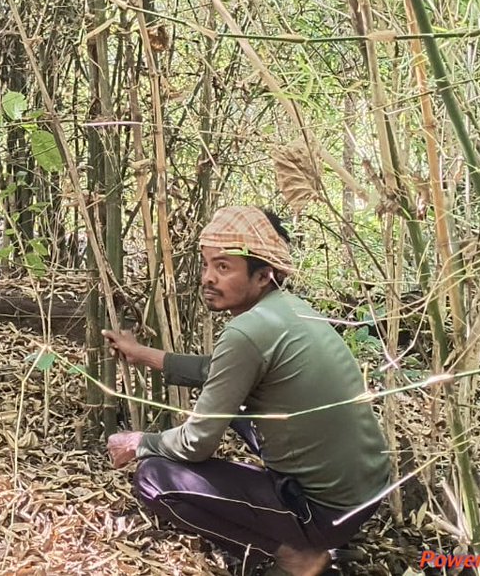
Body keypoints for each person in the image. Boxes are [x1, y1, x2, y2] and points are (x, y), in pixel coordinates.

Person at [102, 206, 389, 576]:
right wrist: (142, 355)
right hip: (364, 495)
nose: (208, 278)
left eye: (223, 268)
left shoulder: (246, 332)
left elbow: (195, 444)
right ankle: (307, 536)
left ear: (263, 275)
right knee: (234, 409)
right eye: (206, 265)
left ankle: (295, 555)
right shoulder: (289, 309)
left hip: (325, 511)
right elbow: (217, 371)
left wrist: (140, 441)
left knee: (154, 478)